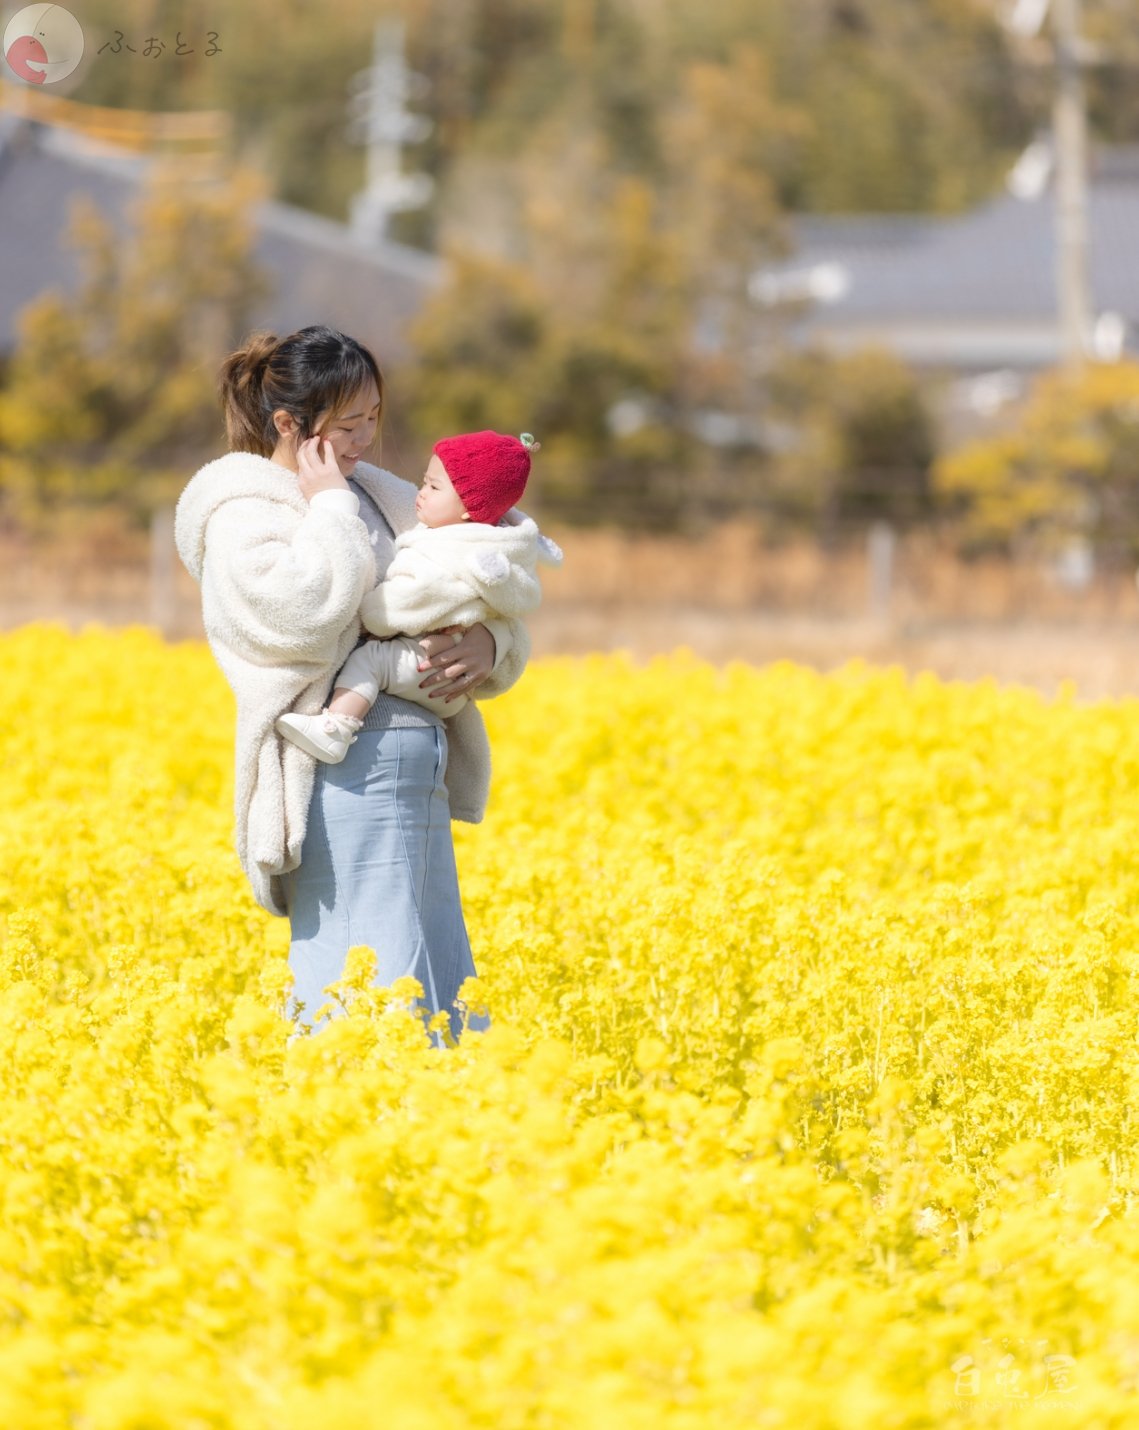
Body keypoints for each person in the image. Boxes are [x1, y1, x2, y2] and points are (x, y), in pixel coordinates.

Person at [174, 325, 532, 1044]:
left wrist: (493, 644)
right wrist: (332, 507)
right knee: (371, 976)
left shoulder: (376, 492)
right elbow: (299, 617)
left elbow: (481, 564)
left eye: (374, 416)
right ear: (289, 424)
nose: (367, 437)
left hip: (413, 765)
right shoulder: (244, 512)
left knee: (431, 971)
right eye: (347, 424)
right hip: (345, 769)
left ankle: (437, 1110)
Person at [275, 429, 563, 763]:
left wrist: (372, 618)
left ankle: (337, 727)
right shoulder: (485, 541)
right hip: (444, 671)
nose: (421, 493)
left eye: (434, 487)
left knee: (371, 661)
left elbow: (414, 599)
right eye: (424, 481)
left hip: (432, 666)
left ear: (469, 508)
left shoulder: (453, 549)